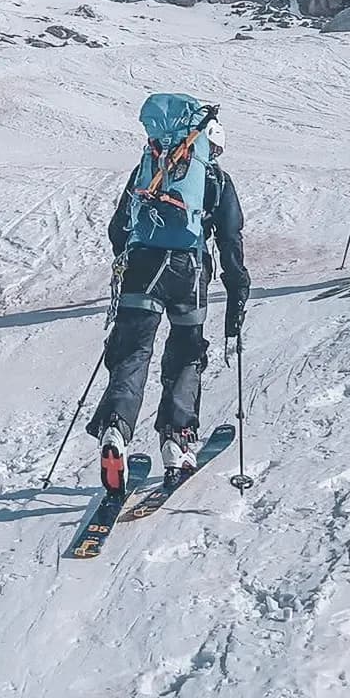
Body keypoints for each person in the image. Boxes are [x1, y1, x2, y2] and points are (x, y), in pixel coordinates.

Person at [87, 97, 249, 493]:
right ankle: (177, 440)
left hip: (141, 266)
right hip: (187, 274)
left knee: (131, 353)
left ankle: (115, 430)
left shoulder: (148, 170)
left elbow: (117, 229)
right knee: (185, 354)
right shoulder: (215, 179)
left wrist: (131, 261)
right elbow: (230, 241)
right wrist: (236, 296)